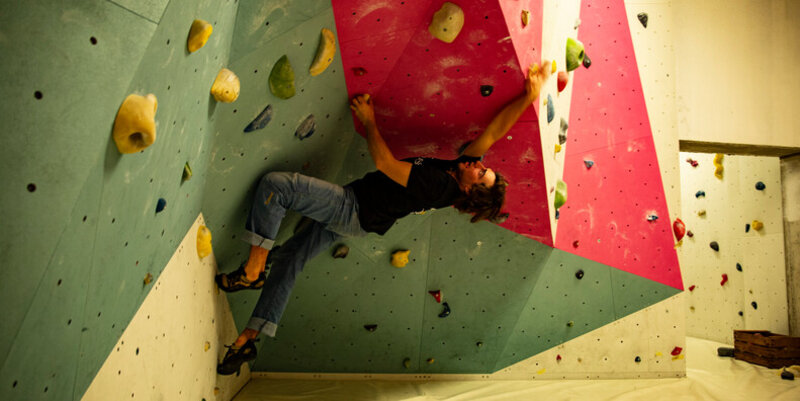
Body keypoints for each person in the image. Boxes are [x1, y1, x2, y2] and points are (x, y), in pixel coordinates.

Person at [214, 61, 552, 375]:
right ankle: (246, 341)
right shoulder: (457, 172)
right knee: (290, 260)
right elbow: (494, 132)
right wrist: (529, 96)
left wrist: (369, 119)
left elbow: (386, 165)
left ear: (468, 192)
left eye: (480, 174)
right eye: (483, 167)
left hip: (352, 207)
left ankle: (253, 271)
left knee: (278, 187)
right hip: (359, 221)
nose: (478, 165)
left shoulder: (435, 185)